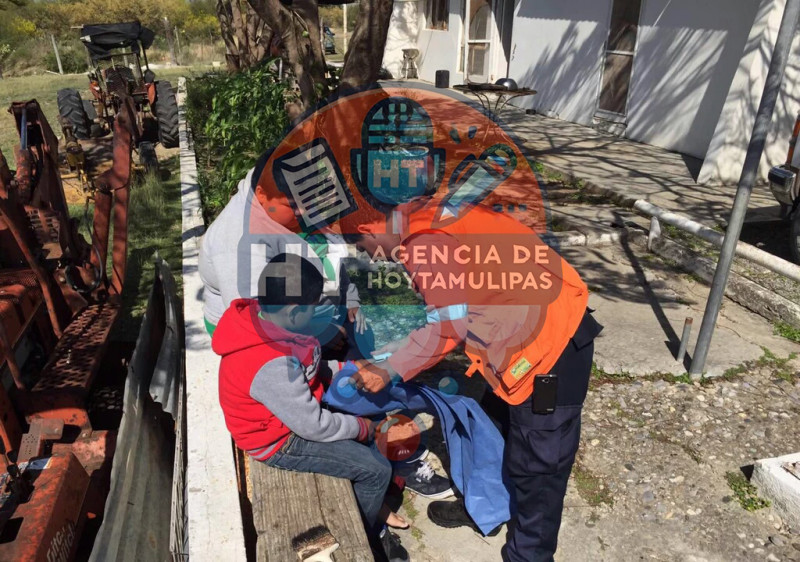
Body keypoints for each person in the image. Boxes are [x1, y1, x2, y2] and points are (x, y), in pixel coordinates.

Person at [344, 201, 603, 562]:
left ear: (371, 229)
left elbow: (448, 325)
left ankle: (528, 555)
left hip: (550, 347)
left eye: (362, 247)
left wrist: (388, 370)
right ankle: (488, 507)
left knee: (539, 467)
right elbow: (443, 303)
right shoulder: (422, 214)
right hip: (514, 335)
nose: (370, 256)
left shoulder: (424, 242)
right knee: (489, 429)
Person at [212, 253, 408, 560]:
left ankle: (375, 496)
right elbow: (312, 425)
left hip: (295, 413)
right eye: (315, 305)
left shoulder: (269, 319)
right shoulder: (271, 363)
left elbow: (308, 367)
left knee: (377, 417)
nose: (320, 310)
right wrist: (360, 428)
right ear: (293, 313)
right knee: (375, 469)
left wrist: (346, 367)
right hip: (277, 441)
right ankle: (369, 536)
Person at [199, 153, 371, 360]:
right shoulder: (236, 242)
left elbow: (329, 255)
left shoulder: (289, 202)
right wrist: (321, 336)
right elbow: (257, 319)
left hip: (314, 316)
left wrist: (350, 298)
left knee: (365, 345)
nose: (304, 211)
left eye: (307, 202)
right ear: (262, 194)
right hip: (272, 336)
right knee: (351, 374)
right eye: (293, 205)